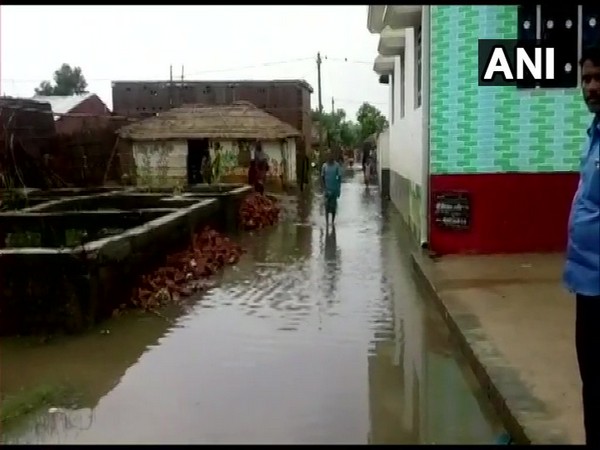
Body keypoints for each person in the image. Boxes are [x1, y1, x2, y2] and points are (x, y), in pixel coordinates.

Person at [563, 45, 600, 446]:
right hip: (586, 283)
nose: (591, 86)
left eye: (598, 77)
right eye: (586, 78)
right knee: (591, 381)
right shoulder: (594, 136)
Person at [320, 151, 342, 227]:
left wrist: (339, 189)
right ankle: (327, 223)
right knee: (326, 206)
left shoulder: (337, 166)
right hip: (327, 190)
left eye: (331, 156)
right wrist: (323, 188)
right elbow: (322, 177)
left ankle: (332, 221)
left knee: (333, 207)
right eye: (328, 156)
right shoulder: (324, 166)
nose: (330, 158)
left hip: (334, 190)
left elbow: (339, 178)